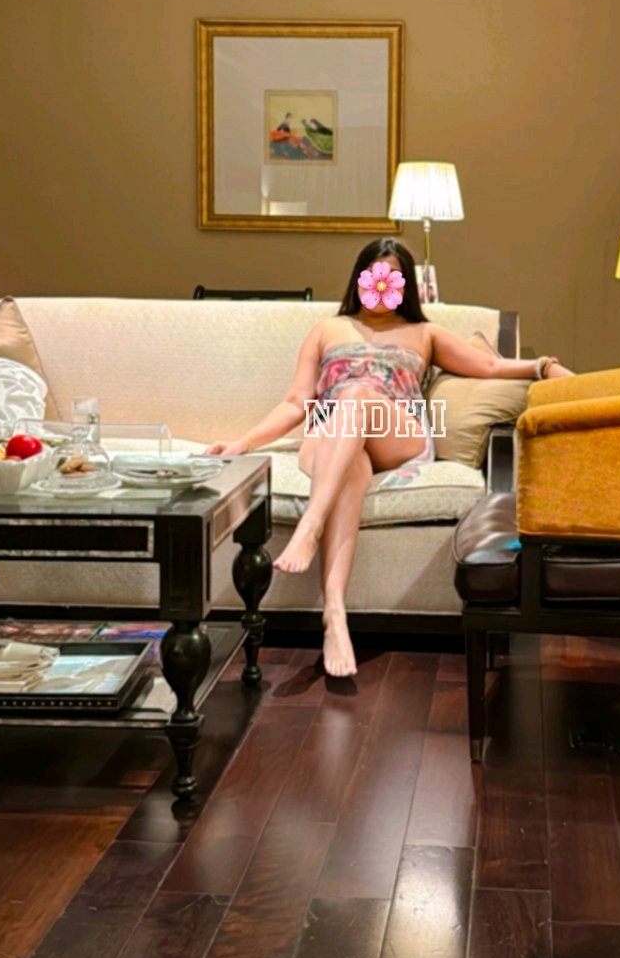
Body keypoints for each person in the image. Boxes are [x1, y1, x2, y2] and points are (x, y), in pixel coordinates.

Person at [206, 238, 574, 678]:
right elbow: (295, 402)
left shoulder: (424, 333)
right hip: (331, 434)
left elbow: (489, 367)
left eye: (391, 278)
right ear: (359, 278)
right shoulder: (327, 329)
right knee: (350, 468)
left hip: (395, 431)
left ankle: (310, 525)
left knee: (358, 395)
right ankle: (335, 614)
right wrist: (243, 442)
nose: (380, 287)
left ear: (404, 286)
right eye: (373, 276)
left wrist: (543, 366)